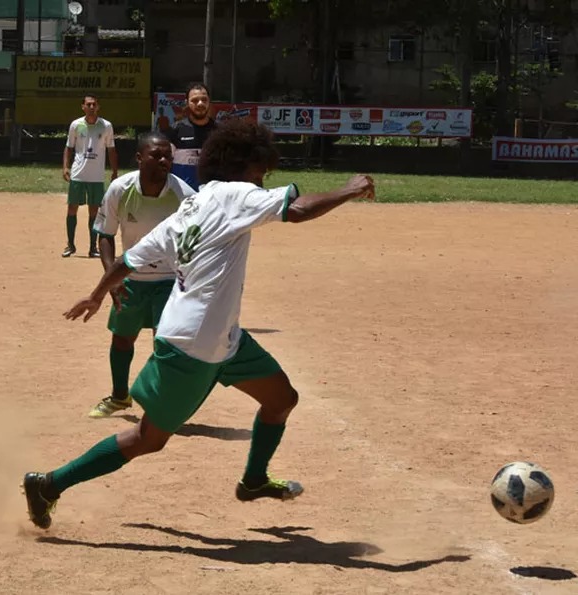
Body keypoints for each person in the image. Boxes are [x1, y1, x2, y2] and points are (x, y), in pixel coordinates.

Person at [22, 119, 376, 529]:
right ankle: (49, 484)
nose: (263, 179)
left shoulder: (191, 206)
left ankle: (254, 480)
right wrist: (351, 188)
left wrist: (99, 292)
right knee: (146, 439)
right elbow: (294, 209)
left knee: (281, 399)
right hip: (193, 345)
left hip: (221, 338)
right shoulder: (235, 193)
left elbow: (129, 260)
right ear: (245, 163)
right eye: (261, 170)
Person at [87, 131, 196, 418]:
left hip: (170, 280)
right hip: (130, 278)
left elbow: (198, 240)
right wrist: (113, 278)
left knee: (165, 341)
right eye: (156, 155)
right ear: (138, 158)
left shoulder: (184, 194)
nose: (164, 161)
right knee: (122, 338)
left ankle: (163, 402)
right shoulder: (120, 190)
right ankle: (120, 397)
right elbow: (105, 235)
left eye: (168, 157)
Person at [62, 94, 118, 259]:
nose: (91, 107)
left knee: (94, 211)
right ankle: (70, 244)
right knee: (72, 208)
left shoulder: (106, 126)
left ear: (98, 106)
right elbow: (69, 147)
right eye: (88, 104)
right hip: (78, 174)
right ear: (83, 107)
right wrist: (65, 166)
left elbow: (111, 150)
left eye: (94, 104)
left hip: (96, 176)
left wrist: (114, 171)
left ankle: (93, 247)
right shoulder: (76, 125)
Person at [166, 83, 216, 190]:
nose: (200, 104)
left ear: (209, 102)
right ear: (186, 103)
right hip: (182, 196)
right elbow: (166, 163)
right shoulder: (175, 131)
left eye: (204, 100)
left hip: (211, 197)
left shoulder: (219, 132)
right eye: (194, 100)